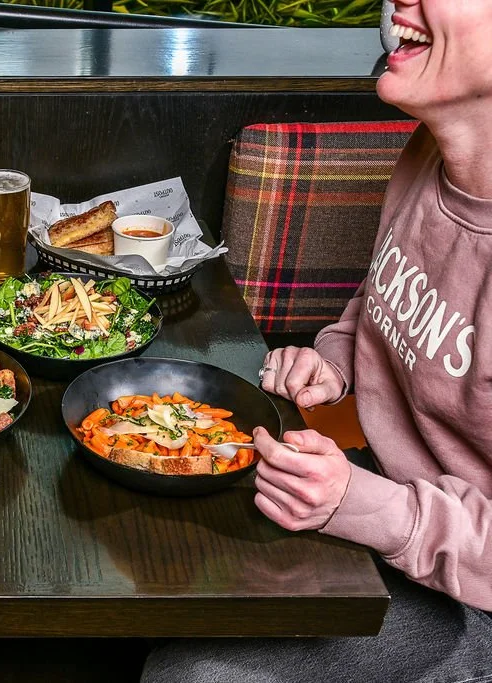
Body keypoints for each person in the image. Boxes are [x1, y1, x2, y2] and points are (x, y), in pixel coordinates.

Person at [143, 1, 492, 681]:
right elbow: (388, 297)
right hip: (383, 499)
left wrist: (361, 504)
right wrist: (334, 359)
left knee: (197, 673)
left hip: (472, 600)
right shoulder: (429, 151)